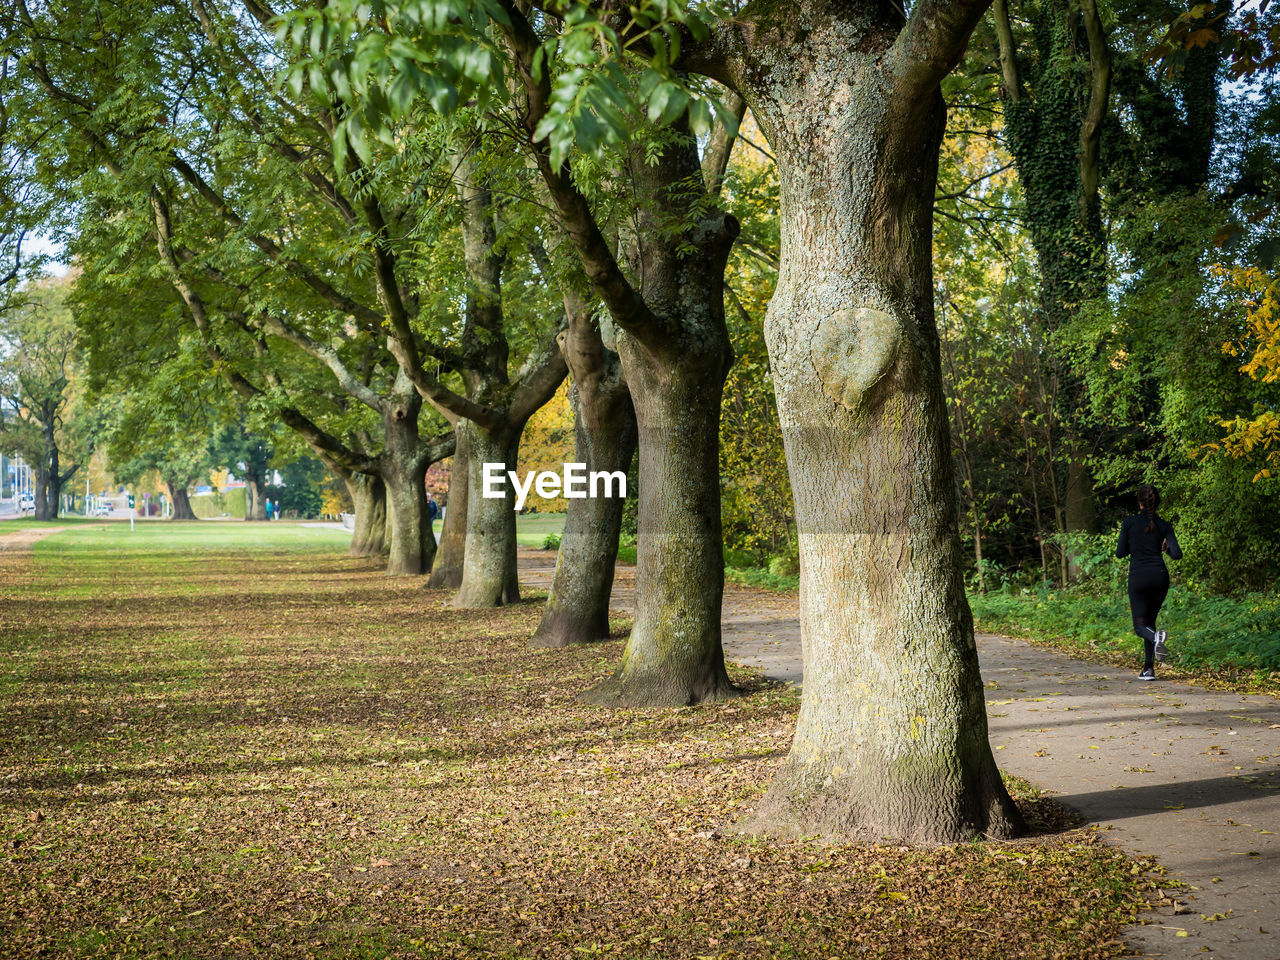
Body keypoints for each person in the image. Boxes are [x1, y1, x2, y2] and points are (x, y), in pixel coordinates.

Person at [1116, 483, 1182, 680]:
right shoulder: (1164, 525)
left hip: (1139, 577)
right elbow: (1177, 554)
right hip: (1160, 576)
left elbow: (1120, 553)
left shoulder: (1129, 523)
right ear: (1157, 503)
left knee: (1140, 626)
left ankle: (1156, 638)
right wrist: (1166, 549)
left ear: (1139, 503)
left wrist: (1133, 544)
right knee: (1150, 621)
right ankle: (1148, 669)